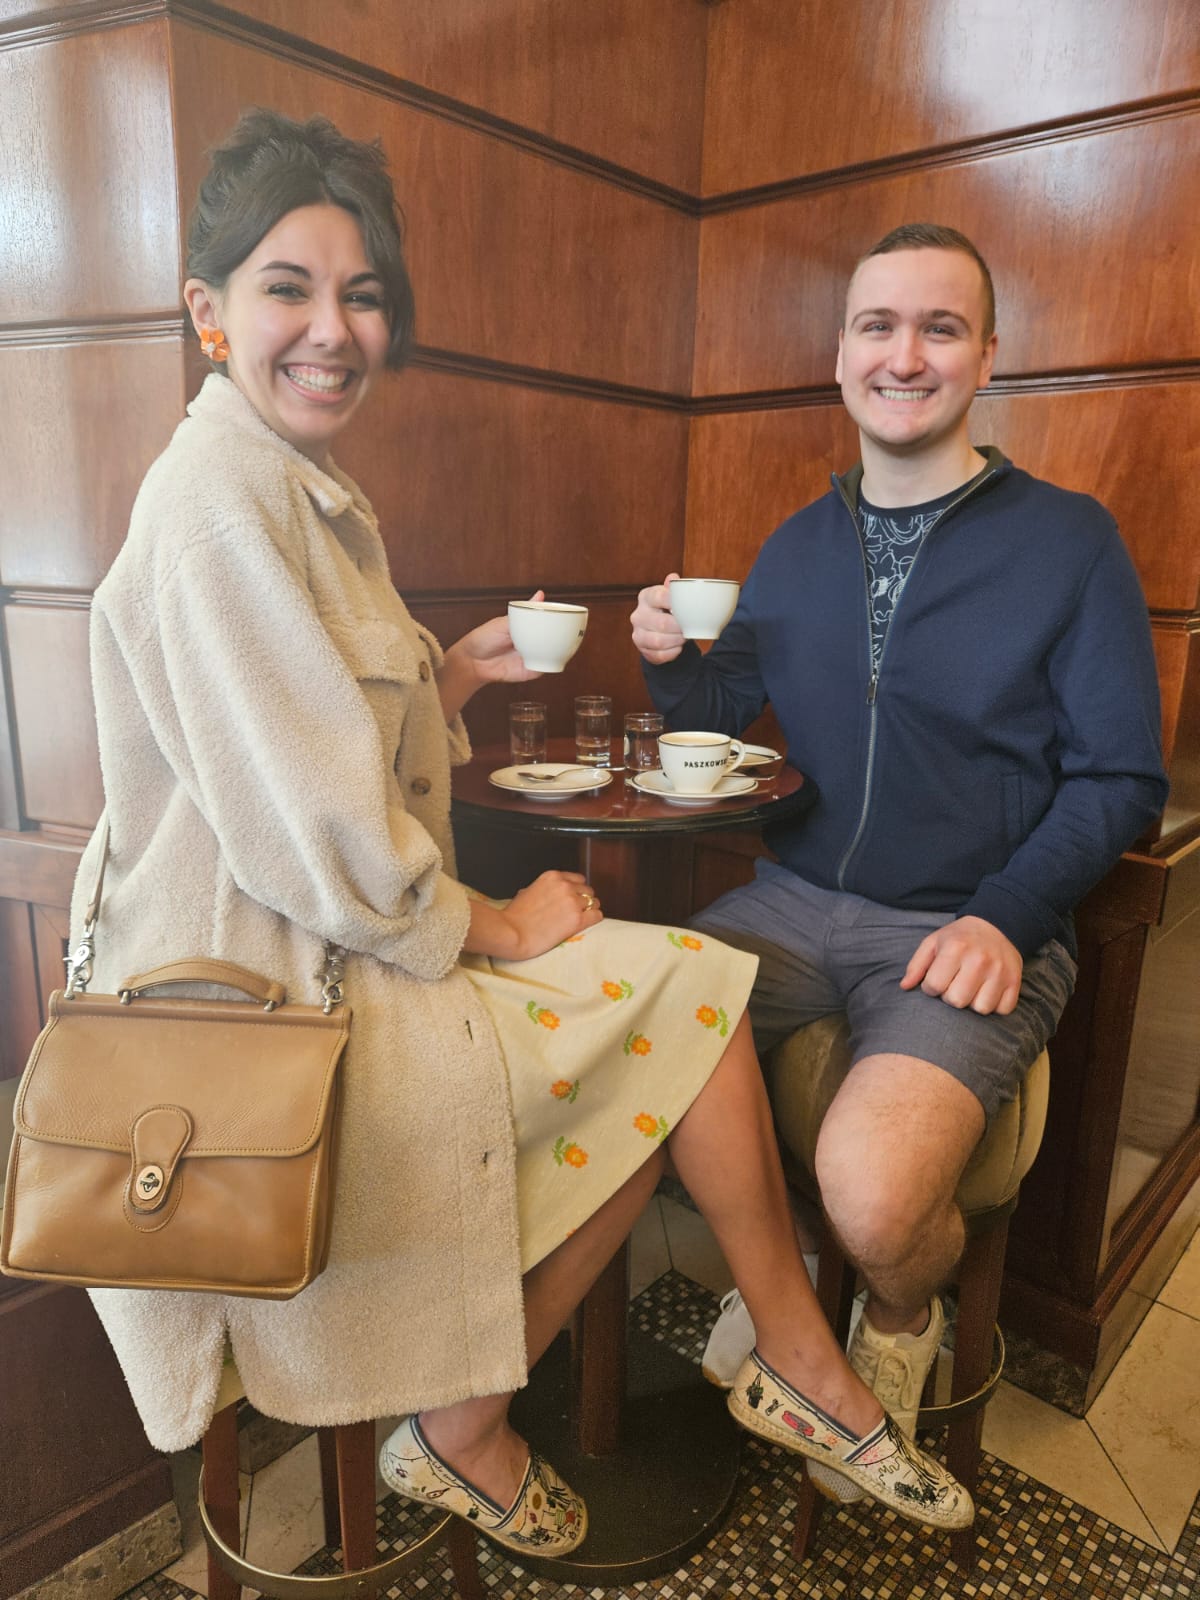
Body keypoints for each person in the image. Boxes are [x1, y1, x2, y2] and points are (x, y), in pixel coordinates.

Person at [73, 115, 975, 1556]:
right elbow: (317, 833)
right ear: (209, 313)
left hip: (338, 964)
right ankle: (750, 1379)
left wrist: (456, 677)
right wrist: (495, 926)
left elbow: (290, 748)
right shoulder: (219, 511)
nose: (331, 329)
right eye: (286, 289)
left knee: (684, 1005)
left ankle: (596, 1401)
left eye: (360, 294)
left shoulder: (291, 491)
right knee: (685, 999)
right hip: (286, 1025)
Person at [631, 222, 1169, 1504]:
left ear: (986, 357)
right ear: (840, 358)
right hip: (793, 899)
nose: (904, 353)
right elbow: (718, 722)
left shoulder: (1070, 541)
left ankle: (896, 1325)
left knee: (877, 1203)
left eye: (939, 327)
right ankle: (787, 1315)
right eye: (878, 326)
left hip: (969, 923)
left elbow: (1123, 778)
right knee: (614, 1036)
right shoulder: (798, 542)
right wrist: (667, 664)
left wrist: (1005, 913)